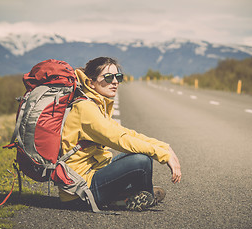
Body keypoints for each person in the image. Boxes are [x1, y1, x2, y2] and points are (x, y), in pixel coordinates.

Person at [60, 57, 181, 211]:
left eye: (118, 77)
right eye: (108, 78)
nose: (115, 82)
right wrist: (163, 156)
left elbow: (126, 132)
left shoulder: (94, 104)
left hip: (92, 176)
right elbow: (119, 139)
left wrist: (164, 147)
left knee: (142, 157)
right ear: (91, 82)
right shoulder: (86, 109)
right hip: (80, 192)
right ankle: (140, 196)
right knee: (141, 161)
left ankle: (132, 195)